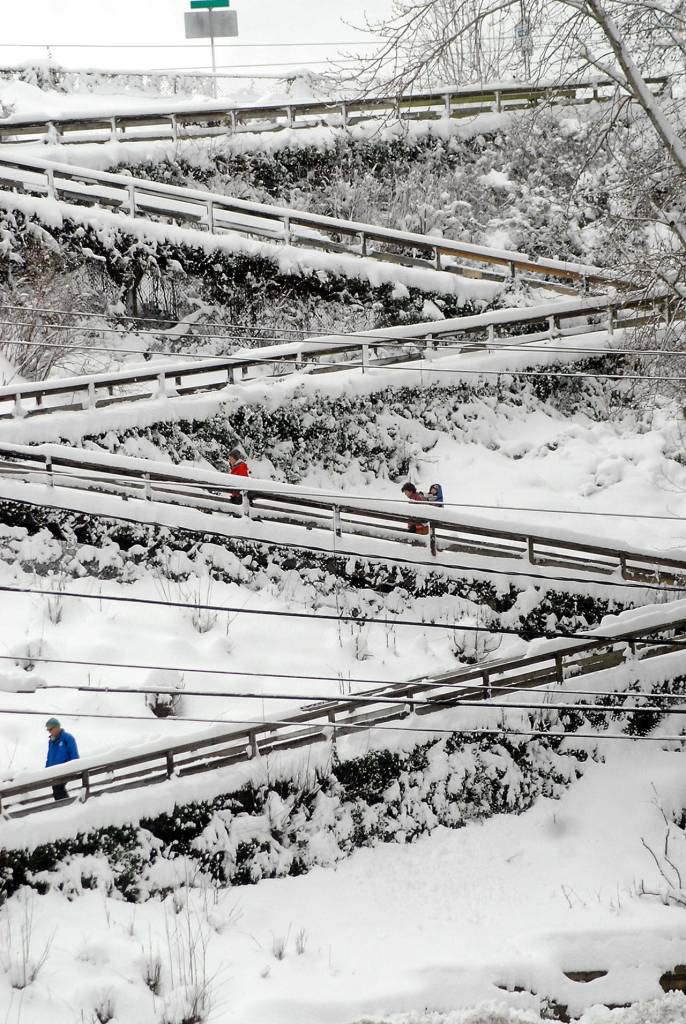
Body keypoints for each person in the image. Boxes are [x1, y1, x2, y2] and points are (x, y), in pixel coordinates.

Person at [45, 717, 79, 802]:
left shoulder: (67, 738)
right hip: (54, 771)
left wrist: (71, 768)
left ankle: (65, 806)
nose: (49, 731)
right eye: (48, 730)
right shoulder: (51, 741)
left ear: (57, 727)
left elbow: (74, 754)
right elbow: (50, 756)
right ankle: (63, 806)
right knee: (56, 790)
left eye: (50, 729)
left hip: (65, 770)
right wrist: (46, 769)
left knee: (58, 788)